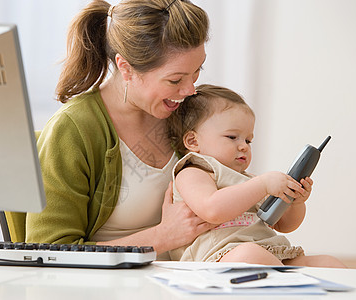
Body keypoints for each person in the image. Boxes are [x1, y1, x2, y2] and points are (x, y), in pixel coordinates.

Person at [25, 0, 215, 259]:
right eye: (175, 79)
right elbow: (47, 253)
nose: (190, 89)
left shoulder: (189, 114)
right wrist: (161, 237)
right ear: (125, 67)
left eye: (197, 71)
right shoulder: (73, 129)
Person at [166, 84, 346, 267]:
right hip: (217, 259)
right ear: (193, 141)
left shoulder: (249, 180)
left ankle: (292, 284)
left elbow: (285, 225)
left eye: (248, 140)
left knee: (329, 263)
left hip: (269, 253)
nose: (243, 146)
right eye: (232, 137)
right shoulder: (193, 172)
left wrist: (296, 202)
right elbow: (212, 209)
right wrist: (262, 185)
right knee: (249, 254)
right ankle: (288, 286)